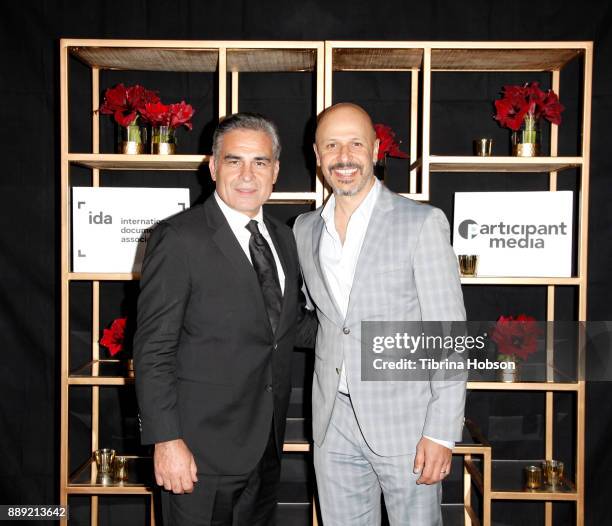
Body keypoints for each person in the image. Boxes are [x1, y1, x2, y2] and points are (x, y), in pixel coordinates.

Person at [134, 112, 315, 526]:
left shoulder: (283, 238)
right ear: (213, 167)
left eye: (260, 162)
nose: (247, 175)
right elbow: (153, 349)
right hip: (198, 453)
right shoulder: (179, 238)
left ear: (276, 172)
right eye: (234, 161)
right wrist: (166, 440)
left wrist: (357, 331)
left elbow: (287, 326)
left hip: (265, 446)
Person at [293, 103, 467, 525]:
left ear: (374, 149)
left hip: (408, 426)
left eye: (355, 143)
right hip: (333, 421)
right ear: (317, 156)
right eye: (331, 145)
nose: (344, 156)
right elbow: (323, 320)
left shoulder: (420, 223)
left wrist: (441, 432)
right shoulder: (303, 230)